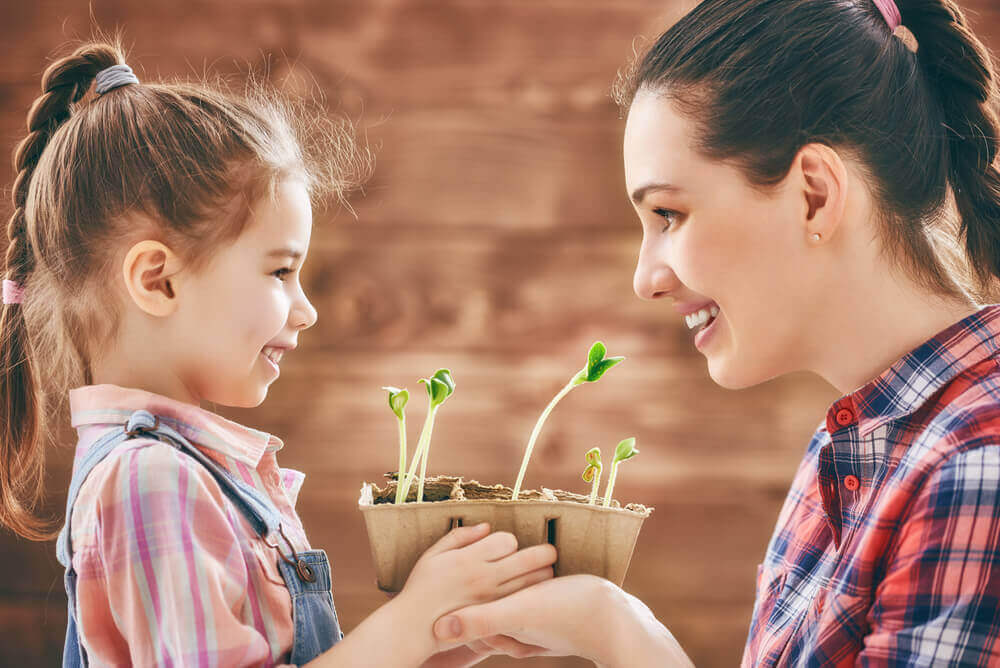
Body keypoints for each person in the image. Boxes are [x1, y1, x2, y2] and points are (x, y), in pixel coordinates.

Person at [430, 0, 1000, 665]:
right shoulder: (853, 450)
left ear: (813, 194)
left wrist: (622, 638)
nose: (646, 278)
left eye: (669, 213)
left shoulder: (975, 469)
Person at [0, 40, 557, 667]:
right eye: (280, 271)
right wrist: (413, 619)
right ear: (158, 280)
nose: (306, 308)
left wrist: (448, 635)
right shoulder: (148, 484)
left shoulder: (184, 477)